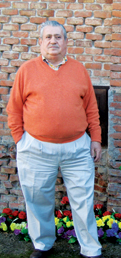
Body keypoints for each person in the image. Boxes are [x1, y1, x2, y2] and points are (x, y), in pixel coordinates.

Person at [6, 21, 104, 258]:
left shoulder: (79, 70)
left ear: (66, 42)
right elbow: (14, 109)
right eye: (48, 37)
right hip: (36, 147)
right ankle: (42, 244)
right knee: (37, 198)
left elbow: (91, 107)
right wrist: (21, 140)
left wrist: (96, 138)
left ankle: (91, 250)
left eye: (58, 37)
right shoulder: (27, 71)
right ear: (40, 42)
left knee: (83, 200)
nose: (53, 41)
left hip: (77, 147)